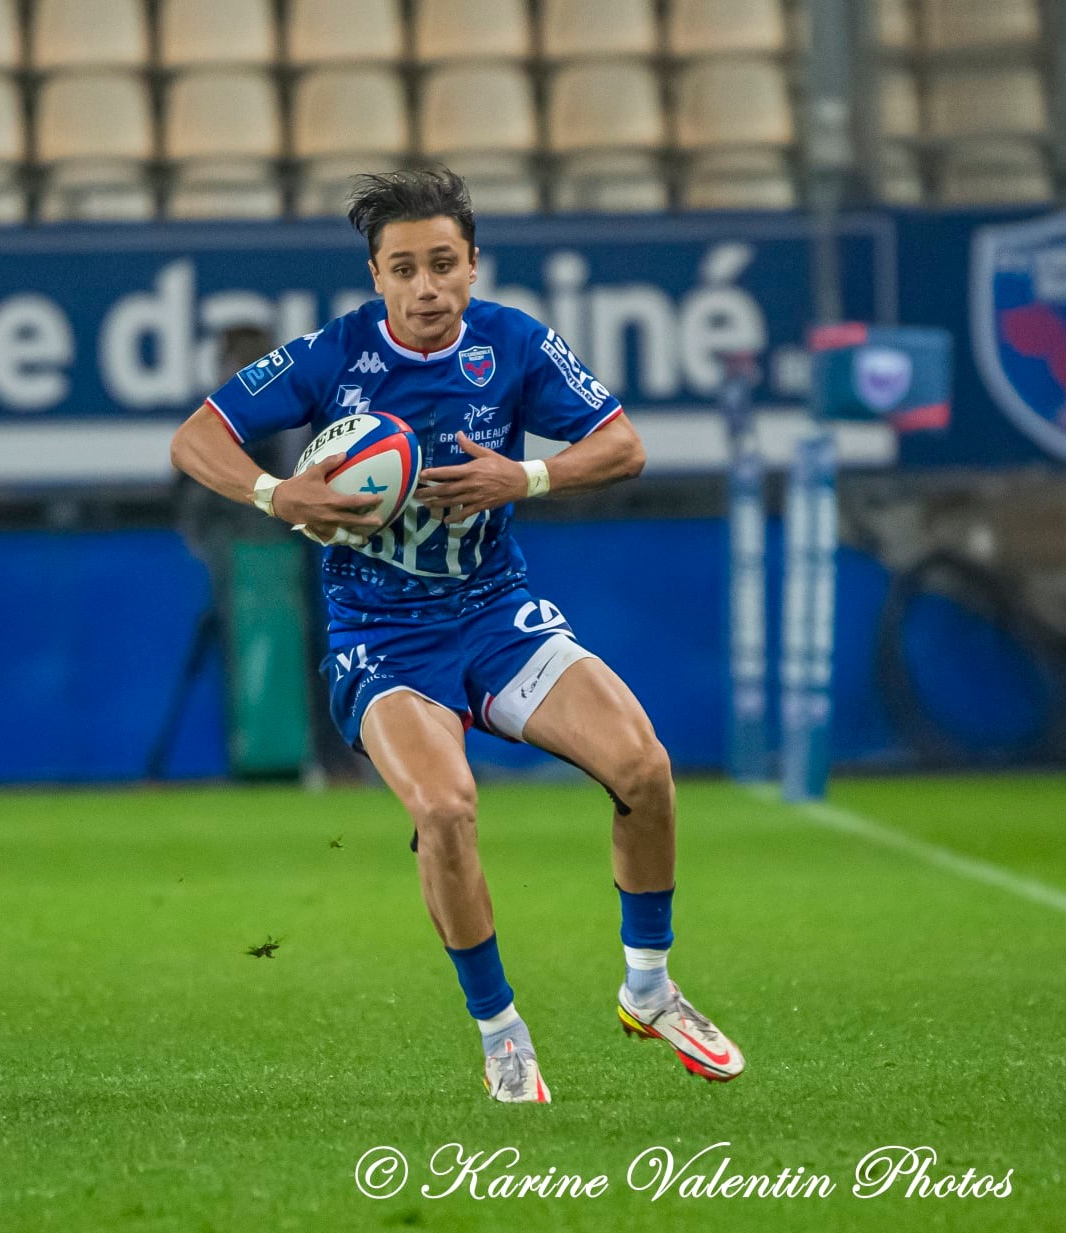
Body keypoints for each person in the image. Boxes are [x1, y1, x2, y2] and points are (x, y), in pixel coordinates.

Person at [167, 168, 744, 1103]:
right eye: (405, 269)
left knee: (643, 766)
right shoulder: (332, 354)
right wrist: (279, 492)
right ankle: (502, 1032)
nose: (426, 286)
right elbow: (198, 436)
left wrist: (530, 478)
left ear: (474, 266)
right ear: (377, 276)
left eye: (444, 264)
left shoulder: (516, 343)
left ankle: (650, 989)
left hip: (495, 614)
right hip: (380, 637)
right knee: (444, 811)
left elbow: (624, 445)